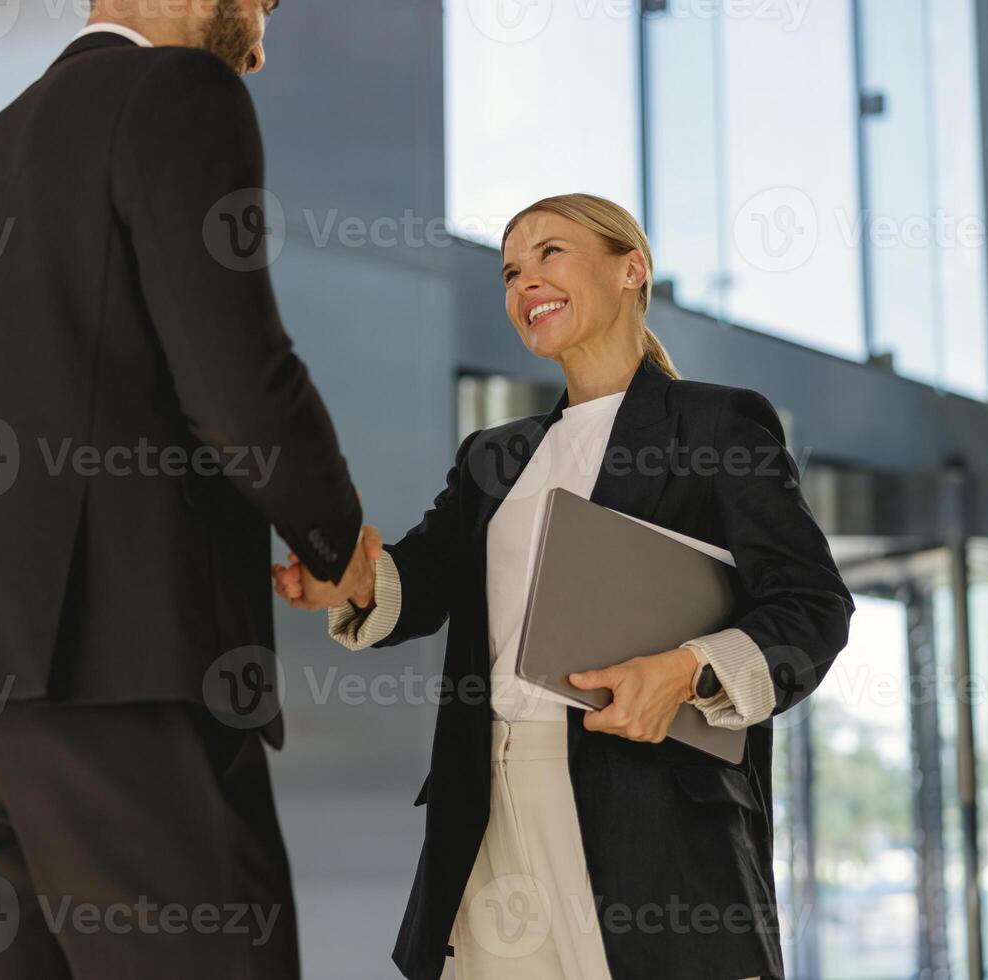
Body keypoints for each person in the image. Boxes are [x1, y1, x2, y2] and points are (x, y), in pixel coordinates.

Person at [0, 2, 380, 976]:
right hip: (110, 667)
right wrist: (337, 538)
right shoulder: (178, 89)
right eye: (261, 9)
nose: (261, 47)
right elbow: (237, 383)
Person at [274, 193, 855, 980]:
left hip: (650, 820)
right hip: (490, 802)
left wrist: (684, 671)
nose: (524, 282)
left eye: (550, 252)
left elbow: (812, 605)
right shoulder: (494, 456)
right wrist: (348, 581)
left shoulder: (716, 427)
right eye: (510, 270)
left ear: (632, 270)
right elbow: (422, 577)